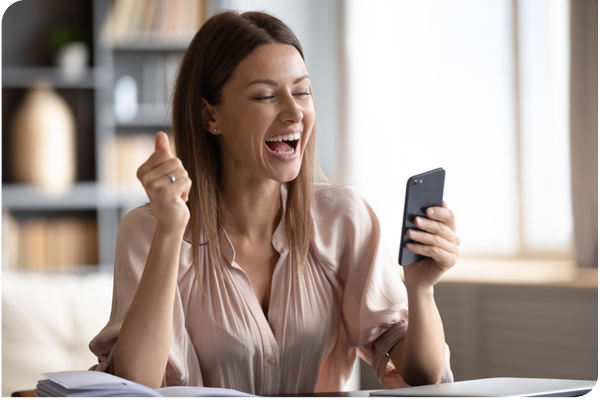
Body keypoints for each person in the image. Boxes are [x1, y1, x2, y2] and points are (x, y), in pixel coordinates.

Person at [89, 10, 460, 395]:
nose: (294, 111)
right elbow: (135, 387)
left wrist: (421, 289)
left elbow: (424, 378)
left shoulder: (344, 218)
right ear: (209, 115)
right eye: (266, 95)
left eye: (301, 91)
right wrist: (170, 231)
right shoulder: (149, 229)